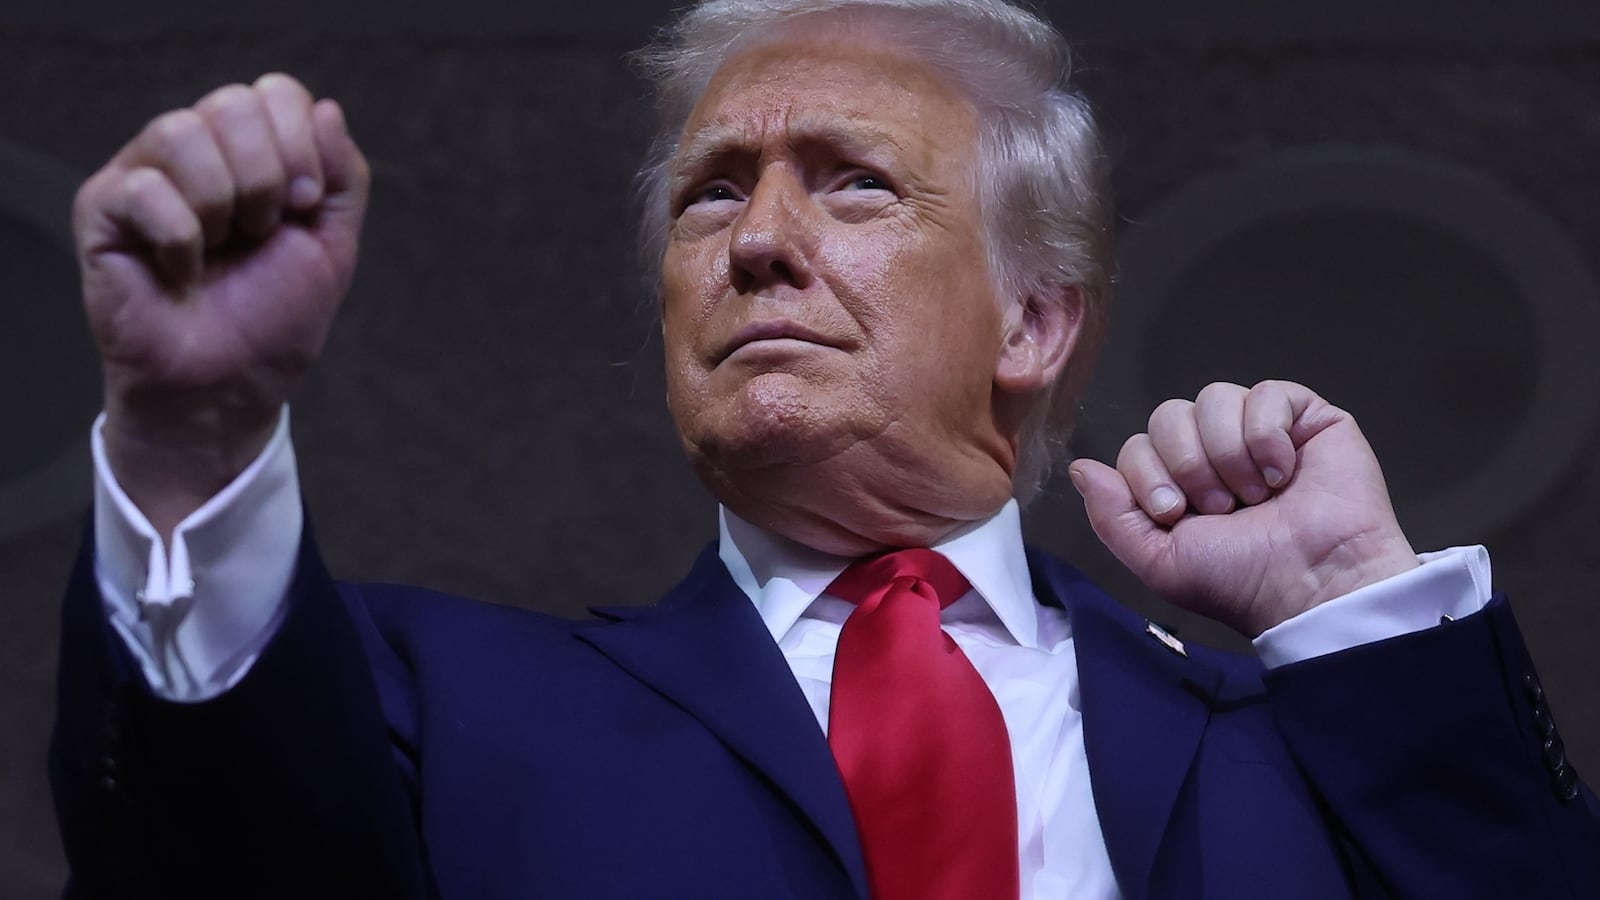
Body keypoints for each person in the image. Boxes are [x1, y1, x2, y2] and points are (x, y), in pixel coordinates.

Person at [50, 0, 1598, 897]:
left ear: (1035, 322)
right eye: (713, 193)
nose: (761, 240)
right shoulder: (436, 706)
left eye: (853, 184)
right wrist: (195, 437)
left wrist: (1349, 599)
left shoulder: (1285, 741)